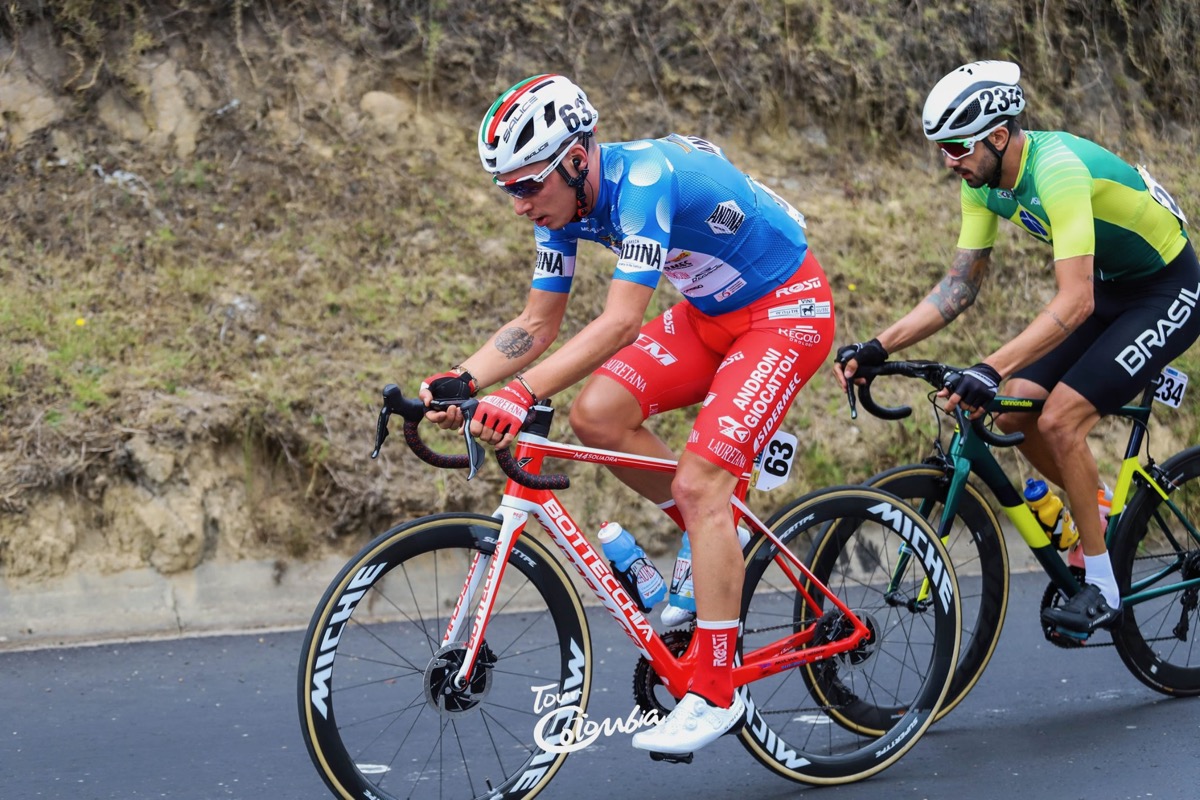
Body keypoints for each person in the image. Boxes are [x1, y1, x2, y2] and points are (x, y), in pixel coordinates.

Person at [418, 74, 834, 754]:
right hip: (712, 313)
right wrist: (464, 380)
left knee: (701, 483)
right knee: (598, 416)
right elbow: (537, 320)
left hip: (786, 313)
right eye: (508, 190)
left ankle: (717, 689)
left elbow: (619, 322)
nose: (520, 204)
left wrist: (518, 393)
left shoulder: (642, 180)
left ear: (578, 158)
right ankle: (713, 542)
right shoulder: (563, 206)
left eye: (528, 186)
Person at [834, 60, 1199, 637]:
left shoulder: (1055, 170)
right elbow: (959, 288)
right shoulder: (983, 184)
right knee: (1012, 406)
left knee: (1058, 421)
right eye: (941, 148)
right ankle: (1099, 510)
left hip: (1166, 289)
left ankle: (1104, 588)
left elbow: (1073, 301)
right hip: (1110, 287)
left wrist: (988, 366)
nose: (948, 160)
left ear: (998, 136)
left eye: (956, 146)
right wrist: (880, 345)